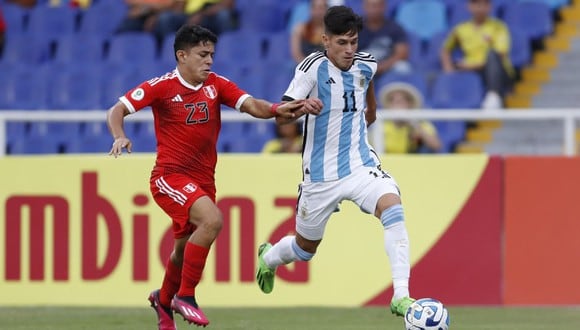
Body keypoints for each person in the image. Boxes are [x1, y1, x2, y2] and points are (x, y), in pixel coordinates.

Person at [106, 24, 303, 329]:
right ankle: (185, 296)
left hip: (203, 181)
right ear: (181, 55)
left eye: (211, 54)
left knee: (183, 251)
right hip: (169, 177)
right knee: (212, 221)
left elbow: (252, 105)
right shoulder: (162, 86)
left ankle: (163, 298)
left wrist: (278, 109)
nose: (209, 60)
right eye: (202, 54)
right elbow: (117, 109)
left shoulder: (216, 84)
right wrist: (119, 136)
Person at [255, 5, 415, 320]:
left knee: (393, 208)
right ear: (325, 40)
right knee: (304, 250)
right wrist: (303, 106)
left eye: (353, 42)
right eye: (342, 43)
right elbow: (282, 117)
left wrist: (367, 115)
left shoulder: (366, 66)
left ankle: (401, 296)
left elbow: (370, 108)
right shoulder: (311, 68)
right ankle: (269, 258)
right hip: (320, 175)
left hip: (360, 164)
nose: (349, 49)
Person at [440, 0, 514, 110]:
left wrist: (470, 66)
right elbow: (445, 49)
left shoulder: (499, 27)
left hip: (498, 72)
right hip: (471, 69)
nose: (480, 8)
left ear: (490, 7)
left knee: (492, 55)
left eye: (484, 4)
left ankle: (493, 95)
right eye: (476, 4)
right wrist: (448, 68)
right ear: (469, 7)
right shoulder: (461, 29)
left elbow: (501, 54)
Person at [379, 82, 441, 153]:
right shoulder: (382, 126)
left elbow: (436, 146)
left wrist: (415, 126)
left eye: (402, 101)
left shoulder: (421, 124)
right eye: (393, 100)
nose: (397, 104)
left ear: (410, 104)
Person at [358, 0, 411, 77]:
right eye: (370, 6)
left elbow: (402, 53)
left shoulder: (394, 28)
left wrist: (383, 66)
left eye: (377, 6)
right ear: (364, 7)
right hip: (362, 67)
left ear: (384, 7)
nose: (373, 10)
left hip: (387, 67)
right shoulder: (356, 28)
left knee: (403, 67)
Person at [151, 0, 237, 44]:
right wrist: (155, 16)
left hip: (210, 15)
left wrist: (201, 14)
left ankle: (226, 49)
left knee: (224, 15)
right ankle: (170, 51)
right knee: (165, 18)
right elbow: (178, 7)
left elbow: (228, 4)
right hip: (188, 16)